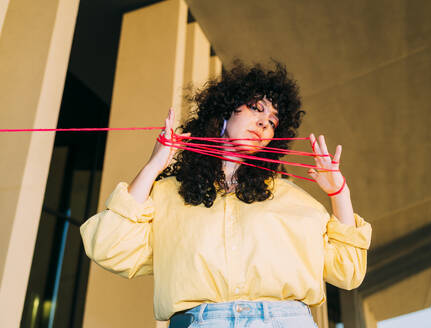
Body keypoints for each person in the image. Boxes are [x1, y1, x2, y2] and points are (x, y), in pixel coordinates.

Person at [80, 60, 372, 328]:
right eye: (256, 109)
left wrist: (339, 193)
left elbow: (347, 272)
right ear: (224, 111)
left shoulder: (292, 198)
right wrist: (154, 166)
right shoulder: (167, 194)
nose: (263, 123)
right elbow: (107, 247)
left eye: (272, 121)